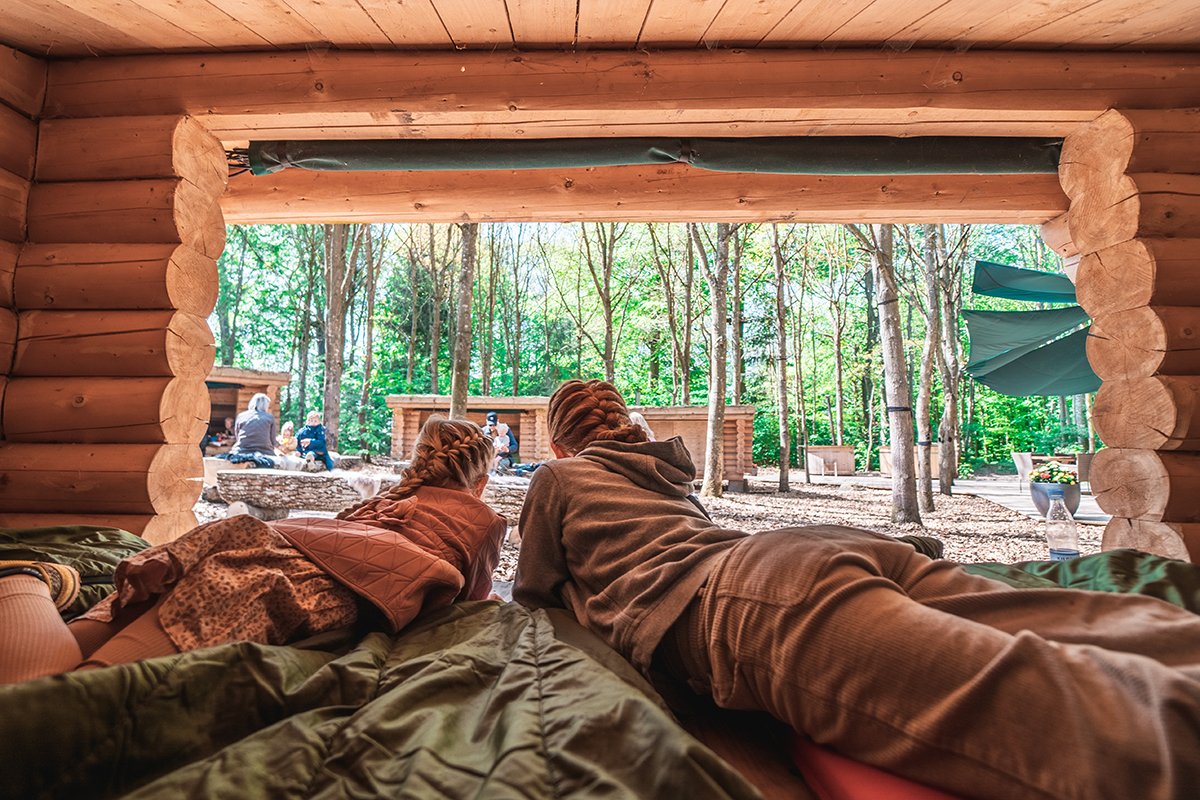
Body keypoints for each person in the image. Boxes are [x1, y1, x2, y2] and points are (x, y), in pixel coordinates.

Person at [513, 378, 1200, 800]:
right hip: (805, 550)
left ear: (562, 443)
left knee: (1072, 714)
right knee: (1093, 623)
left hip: (751, 603)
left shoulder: (559, 478)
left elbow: (534, 595)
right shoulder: (667, 478)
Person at [0, 417, 504, 685]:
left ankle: (26, 583)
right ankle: (24, 584)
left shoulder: (387, 501)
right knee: (63, 697)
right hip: (284, 584)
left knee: (67, 655)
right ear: (479, 481)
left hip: (253, 546)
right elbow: (474, 602)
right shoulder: (484, 520)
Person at [225, 394, 280, 468]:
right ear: (265, 406)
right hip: (265, 452)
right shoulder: (269, 417)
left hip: (241, 451)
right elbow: (273, 441)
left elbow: (237, 436)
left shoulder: (241, 416)